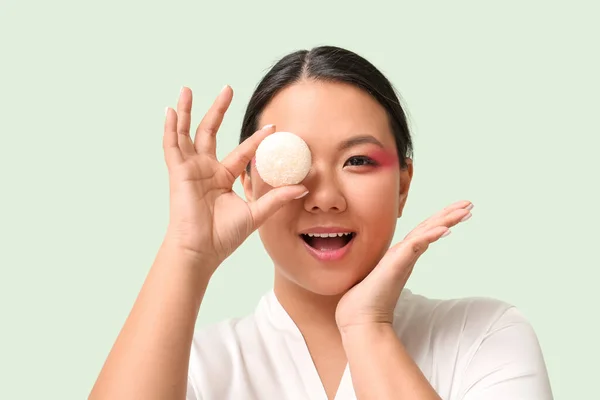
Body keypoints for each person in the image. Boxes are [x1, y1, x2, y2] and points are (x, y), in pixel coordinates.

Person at [89, 46, 553, 400]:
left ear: (403, 185)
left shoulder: (486, 335)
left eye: (357, 160)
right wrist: (188, 251)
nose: (326, 199)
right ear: (247, 183)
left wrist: (367, 327)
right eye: (291, 162)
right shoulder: (193, 366)